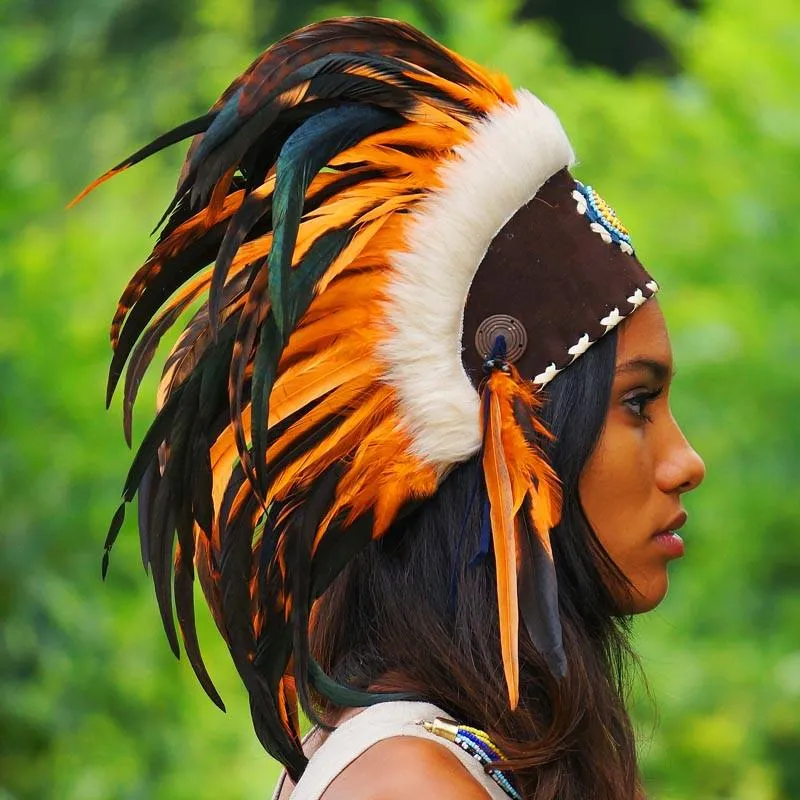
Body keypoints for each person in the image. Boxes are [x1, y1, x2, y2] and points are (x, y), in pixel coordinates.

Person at [79, 17, 705, 800]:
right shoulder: (408, 782)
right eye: (637, 403)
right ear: (505, 439)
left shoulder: (461, 755)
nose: (687, 463)